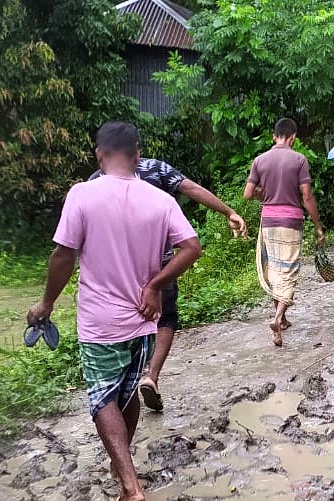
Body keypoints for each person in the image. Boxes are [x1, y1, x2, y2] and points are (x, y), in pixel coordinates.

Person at [27, 122, 201, 501]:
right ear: (138, 154)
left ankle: (129, 485)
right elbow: (192, 248)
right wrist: (155, 284)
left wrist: (46, 303)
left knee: (103, 398)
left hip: (100, 324)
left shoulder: (82, 194)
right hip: (145, 320)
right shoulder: (160, 200)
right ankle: (122, 463)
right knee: (125, 393)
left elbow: (63, 255)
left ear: (98, 154)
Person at [89, 160, 245, 413]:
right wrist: (228, 212)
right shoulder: (154, 168)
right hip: (160, 267)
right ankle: (151, 376)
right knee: (166, 319)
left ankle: (120, 385)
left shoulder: (95, 181)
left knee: (124, 324)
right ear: (135, 149)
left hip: (117, 272)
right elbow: (190, 188)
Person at [244, 118, 324, 347]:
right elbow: (306, 196)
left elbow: (248, 194)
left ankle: (283, 318)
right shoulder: (299, 160)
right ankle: (278, 318)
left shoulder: (259, 160)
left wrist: (266, 195)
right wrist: (318, 226)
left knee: (275, 269)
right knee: (288, 270)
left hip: (268, 220)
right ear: (293, 137)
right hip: (291, 220)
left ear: (274, 136)